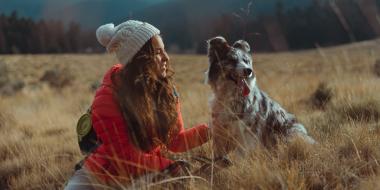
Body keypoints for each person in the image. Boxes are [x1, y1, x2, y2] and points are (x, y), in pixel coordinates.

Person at [64, 20, 210, 189]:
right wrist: (169, 167)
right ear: (139, 58)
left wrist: (211, 130)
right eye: (157, 52)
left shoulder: (166, 92)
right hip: (101, 175)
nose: (166, 58)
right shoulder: (107, 99)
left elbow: (175, 141)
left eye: (164, 50)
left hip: (146, 170)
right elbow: (125, 160)